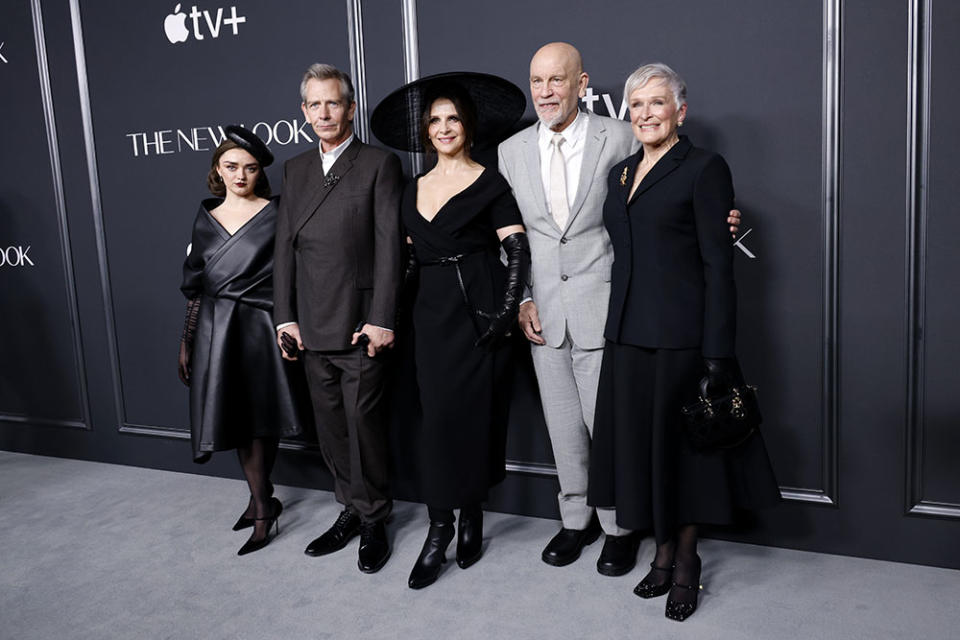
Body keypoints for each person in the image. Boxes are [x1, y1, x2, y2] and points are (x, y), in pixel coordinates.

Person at [497, 43, 742, 576]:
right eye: (537, 81)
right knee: (563, 428)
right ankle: (574, 519)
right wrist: (522, 298)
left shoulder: (623, 135)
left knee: (614, 432)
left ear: (580, 83)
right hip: (542, 314)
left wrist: (723, 223)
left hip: (613, 311)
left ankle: (618, 526)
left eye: (556, 81)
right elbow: (509, 234)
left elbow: (668, 194)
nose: (545, 92)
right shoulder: (510, 150)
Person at [586, 63, 780, 621]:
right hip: (626, 335)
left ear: (680, 111)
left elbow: (720, 267)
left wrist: (717, 351)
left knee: (687, 457)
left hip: (682, 337)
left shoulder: (704, 169)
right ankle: (662, 550)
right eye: (637, 105)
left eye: (657, 104)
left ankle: (686, 560)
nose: (646, 114)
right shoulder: (620, 174)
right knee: (645, 451)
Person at [370, 73, 529, 590]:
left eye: (453, 119)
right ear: (425, 129)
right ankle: (439, 529)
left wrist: (505, 313)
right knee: (435, 425)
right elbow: (404, 259)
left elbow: (517, 249)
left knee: (476, 420)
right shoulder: (411, 187)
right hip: (428, 320)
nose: (443, 127)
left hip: (480, 314)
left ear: (468, 126)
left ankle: (473, 514)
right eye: (434, 120)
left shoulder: (491, 181)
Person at [272, 63, 403, 574]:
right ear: (304, 112)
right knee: (329, 427)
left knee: (361, 423)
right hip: (311, 324)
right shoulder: (296, 169)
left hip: (360, 324)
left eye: (334, 103)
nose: (324, 113)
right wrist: (285, 317)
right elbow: (285, 249)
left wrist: (382, 317)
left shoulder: (378, 164)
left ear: (351, 108)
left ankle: (374, 519)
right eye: (314, 105)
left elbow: (391, 248)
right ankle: (349, 508)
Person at [178, 125, 305, 556]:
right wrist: (187, 338)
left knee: (260, 418)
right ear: (217, 168)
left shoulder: (277, 211)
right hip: (217, 327)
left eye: (249, 169)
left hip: (261, 326)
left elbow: (293, 272)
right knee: (234, 415)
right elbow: (195, 282)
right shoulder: (204, 215)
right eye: (231, 166)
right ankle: (261, 498)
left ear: (259, 173)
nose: (240, 175)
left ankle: (263, 507)